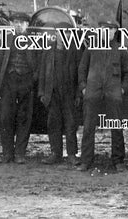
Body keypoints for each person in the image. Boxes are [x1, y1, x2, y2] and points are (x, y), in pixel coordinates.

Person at [77, 20, 128, 172]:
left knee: (116, 126)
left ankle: (118, 160)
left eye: (110, 29)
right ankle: (86, 161)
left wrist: (122, 89)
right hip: (92, 91)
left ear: (115, 31)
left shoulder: (121, 50)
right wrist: (83, 87)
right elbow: (82, 69)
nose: (106, 32)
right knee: (88, 127)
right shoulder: (91, 48)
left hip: (113, 92)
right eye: (103, 29)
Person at [39, 22, 84, 166]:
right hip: (52, 94)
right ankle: (55, 153)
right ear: (56, 33)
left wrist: (78, 94)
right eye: (61, 32)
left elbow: (80, 74)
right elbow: (42, 73)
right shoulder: (49, 50)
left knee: (71, 124)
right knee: (53, 124)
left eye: (68, 33)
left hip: (69, 94)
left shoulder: (76, 51)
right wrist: (42, 93)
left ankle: (72, 154)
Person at [0, 12, 37, 164]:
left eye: (22, 22)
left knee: (24, 119)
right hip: (9, 82)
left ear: (27, 25)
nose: (18, 25)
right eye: (16, 22)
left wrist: (33, 79)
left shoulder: (34, 41)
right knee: (5, 118)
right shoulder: (5, 40)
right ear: (11, 24)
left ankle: (20, 154)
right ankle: (7, 153)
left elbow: (38, 62)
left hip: (27, 82)